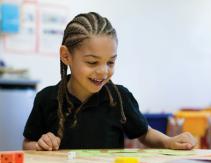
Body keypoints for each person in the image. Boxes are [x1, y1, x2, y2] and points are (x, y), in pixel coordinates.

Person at [23, 12, 196, 151]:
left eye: (110, 62)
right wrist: (39, 145)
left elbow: (145, 133)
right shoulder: (46, 99)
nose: (104, 71)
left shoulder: (119, 97)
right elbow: (27, 144)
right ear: (66, 56)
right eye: (92, 62)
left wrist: (170, 142)